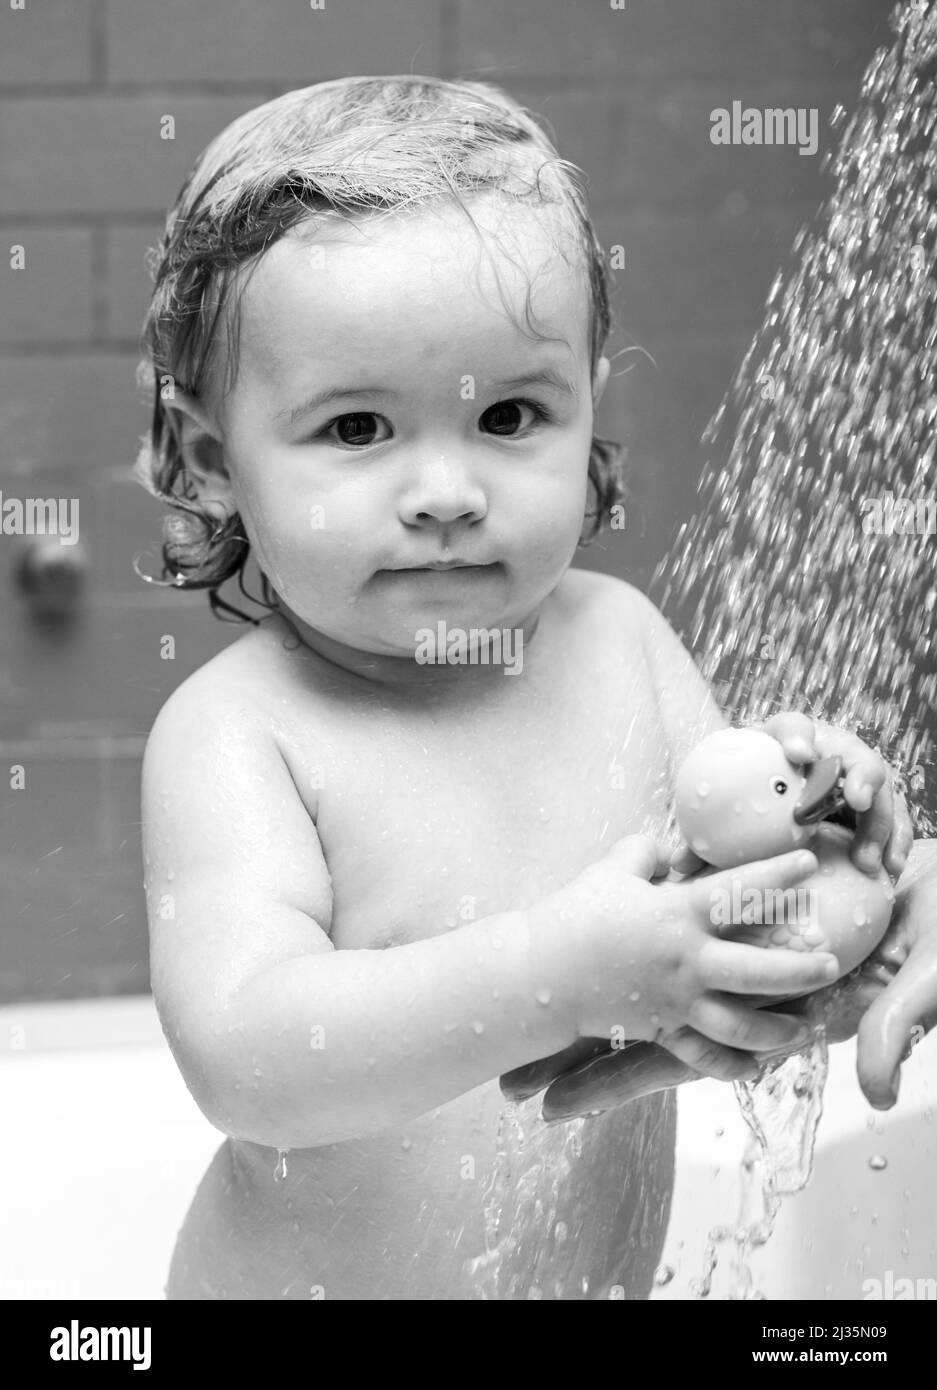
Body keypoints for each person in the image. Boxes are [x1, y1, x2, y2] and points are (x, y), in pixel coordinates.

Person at [134, 76, 912, 1301]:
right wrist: (562, 966)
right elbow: (249, 1060)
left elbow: (731, 942)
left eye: (508, 414)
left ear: (589, 409)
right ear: (211, 461)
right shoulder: (242, 734)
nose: (446, 489)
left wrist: (834, 873)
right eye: (355, 428)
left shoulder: (622, 643)